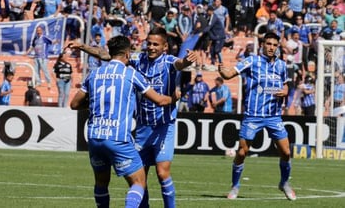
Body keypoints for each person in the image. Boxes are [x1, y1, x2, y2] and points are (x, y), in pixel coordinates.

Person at [70, 27, 198, 208]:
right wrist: (83, 47)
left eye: (156, 44)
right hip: (143, 127)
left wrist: (186, 61)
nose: (151, 47)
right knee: (140, 177)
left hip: (163, 125)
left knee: (162, 173)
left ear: (165, 47)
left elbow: (180, 64)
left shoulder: (168, 61)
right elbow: (107, 55)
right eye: (149, 43)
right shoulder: (137, 60)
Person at [218, 32, 296, 201]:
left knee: (286, 152)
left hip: (274, 116)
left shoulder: (282, 65)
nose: (271, 48)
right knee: (242, 152)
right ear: (262, 45)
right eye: (268, 44)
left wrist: (286, 90)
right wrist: (223, 72)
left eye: (275, 45)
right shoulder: (252, 61)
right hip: (253, 115)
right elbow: (230, 74)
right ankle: (235, 186)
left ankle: (284, 183)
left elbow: (286, 85)